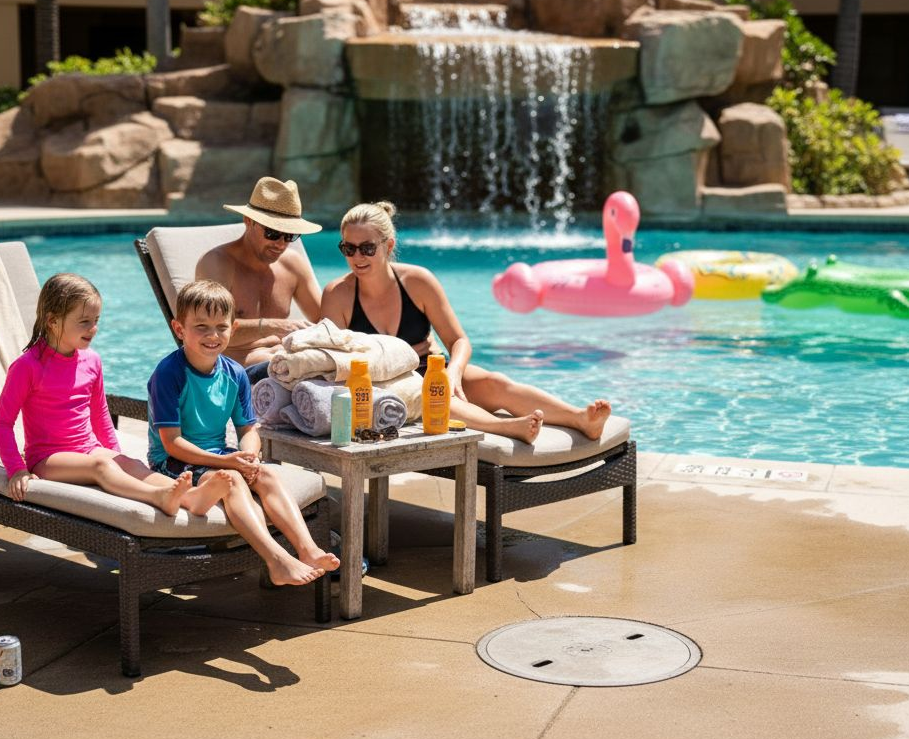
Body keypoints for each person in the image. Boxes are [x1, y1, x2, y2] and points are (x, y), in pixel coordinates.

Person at [320, 201, 612, 445]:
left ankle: (580, 419)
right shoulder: (338, 295)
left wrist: (454, 373)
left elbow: (458, 341)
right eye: (349, 249)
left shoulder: (418, 282)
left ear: (388, 245)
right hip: (386, 385)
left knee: (493, 383)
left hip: (432, 368)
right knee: (433, 395)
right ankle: (507, 428)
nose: (357, 257)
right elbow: (335, 361)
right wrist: (396, 354)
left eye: (367, 248)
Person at [148, 279, 340, 586]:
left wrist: (249, 454)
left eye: (221, 327)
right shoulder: (169, 374)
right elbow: (171, 444)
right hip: (173, 465)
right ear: (179, 329)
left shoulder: (234, 373)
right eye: (201, 327)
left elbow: (249, 428)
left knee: (267, 475)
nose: (213, 336)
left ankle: (309, 549)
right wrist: (231, 464)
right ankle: (277, 560)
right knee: (233, 480)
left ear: (233, 329)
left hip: (217, 456)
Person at [0, 273, 219, 517]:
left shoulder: (92, 360)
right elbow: (2, 423)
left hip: (88, 448)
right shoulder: (28, 366)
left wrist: (117, 455)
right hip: (48, 458)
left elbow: (100, 414)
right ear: (52, 321)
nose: (93, 328)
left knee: (130, 464)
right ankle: (158, 496)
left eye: (96, 320)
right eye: (84, 322)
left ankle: (192, 497)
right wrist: (17, 470)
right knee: (101, 466)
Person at [195, 176, 324, 381]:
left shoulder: (292, 264)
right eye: (273, 233)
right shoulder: (218, 263)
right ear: (249, 221)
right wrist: (273, 326)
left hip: (288, 368)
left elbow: (325, 319)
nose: (281, 244)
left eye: (289, 235)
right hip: (237, 378)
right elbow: (208, 331)